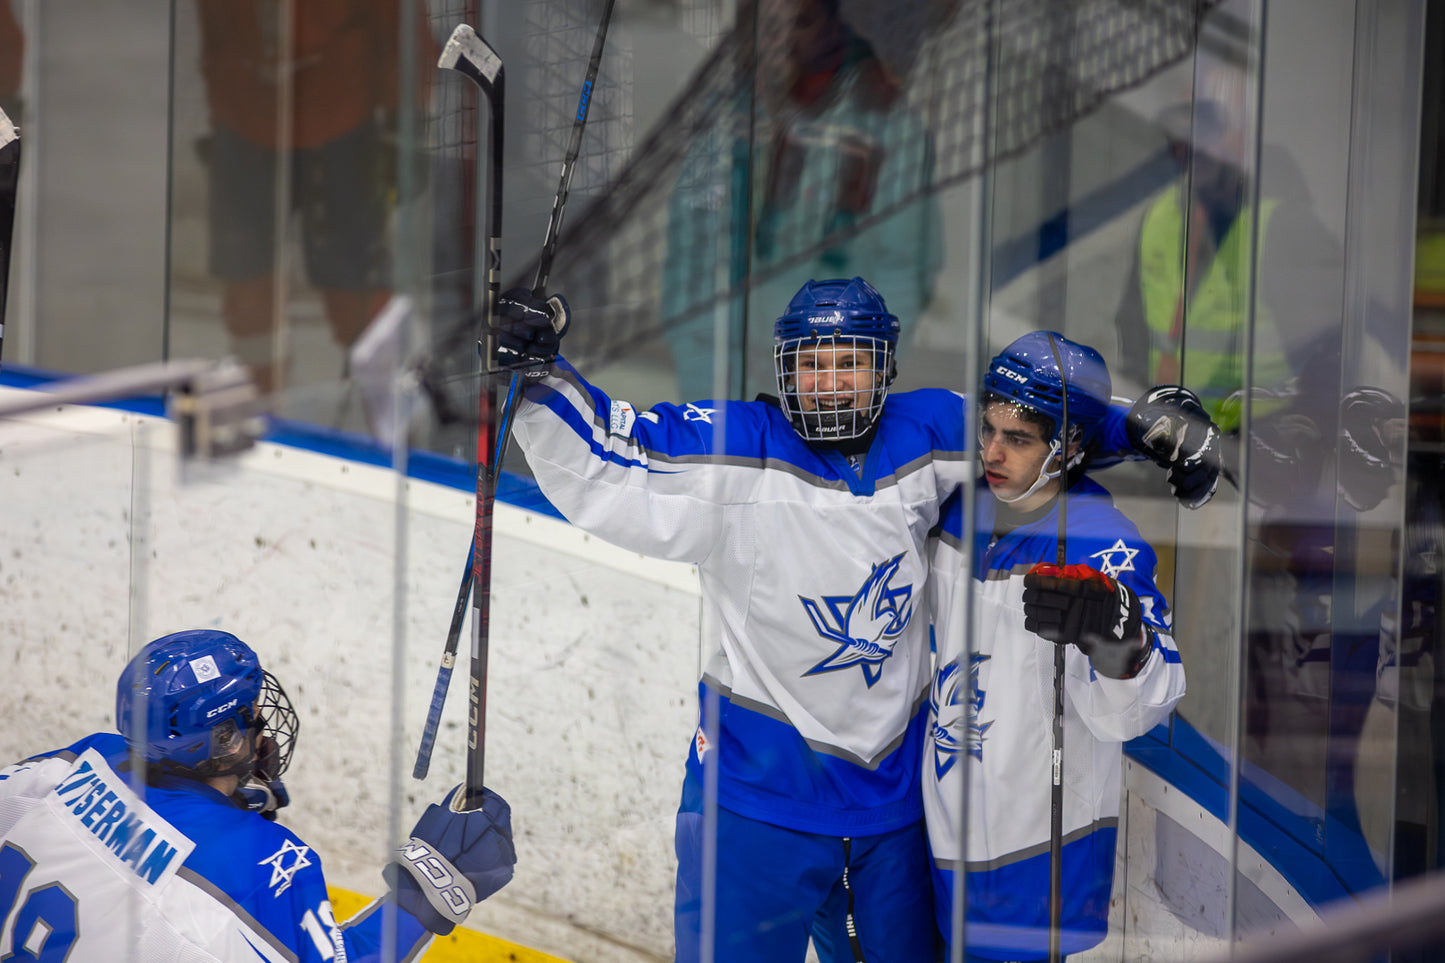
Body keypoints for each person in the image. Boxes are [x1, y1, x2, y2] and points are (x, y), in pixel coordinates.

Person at [492, 275, 1218, 962]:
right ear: (783, 369)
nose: (831, 381)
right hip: (754, 808)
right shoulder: (736, 451)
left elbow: (1046, 417)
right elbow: (615, 453)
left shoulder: (931, 430)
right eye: (811, 363)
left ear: (883, 369)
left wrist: (1145, 427)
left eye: (850, 362)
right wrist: (538, 377)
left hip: (891, 816)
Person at [0, 628, 515, 961]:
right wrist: (430, 888)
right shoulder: (265, 868)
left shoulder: (79, 759)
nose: (263, 720)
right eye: (248, 715)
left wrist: (226, 811)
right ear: (224, 741)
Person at [923, 333, 1187, 960]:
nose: (991, 450)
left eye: (1017, 439)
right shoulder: (955, 508)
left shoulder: (1103, 543)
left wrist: (1121, 644)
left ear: (1068, 446)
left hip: (1035, 852)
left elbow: (1141, 706)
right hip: (939, 827)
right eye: (987, 429)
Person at [194, 0, 435, 395]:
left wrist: (403, 127)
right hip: (245, 118)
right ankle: (259, 408)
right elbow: (215, 26)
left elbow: (404, 28)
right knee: (248, 280)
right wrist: (221, 109)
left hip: (339, 119)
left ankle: (388, 408)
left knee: (354, 280)